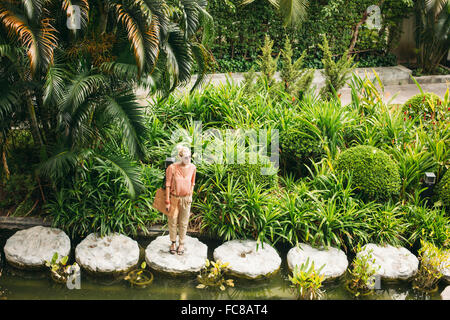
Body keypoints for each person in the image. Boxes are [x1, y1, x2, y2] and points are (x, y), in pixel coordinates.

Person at [165, 145, 196, 255]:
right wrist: (167, 201)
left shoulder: (193, 167)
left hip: (186, 198)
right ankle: (173, 242)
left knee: (183, 222)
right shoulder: (172, 168)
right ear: (180, 157)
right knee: (172, 221)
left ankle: (181, 243)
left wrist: (191, 195)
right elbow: (168, 184)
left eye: (190, 157)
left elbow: (192, 183)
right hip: (174, 198)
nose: (188, 159)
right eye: (186, 157)